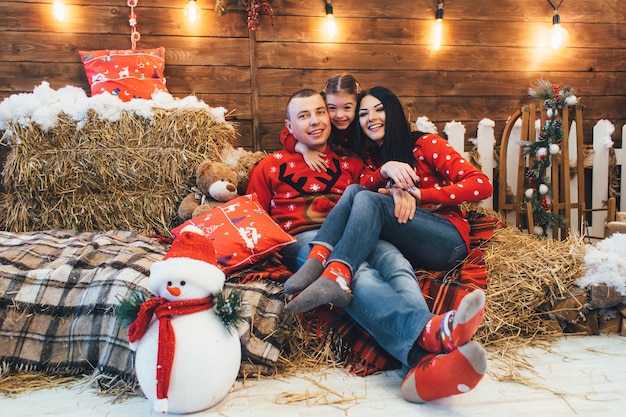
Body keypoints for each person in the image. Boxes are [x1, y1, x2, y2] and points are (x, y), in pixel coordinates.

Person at [281, 86, 493, 403]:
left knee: (362, 197)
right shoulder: (368, 160)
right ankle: (426, 354)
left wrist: (422, 196)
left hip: (445, 238)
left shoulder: (424, 144)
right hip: (407, 239)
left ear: (394, 112)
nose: (372, 118)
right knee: (360, 199)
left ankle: (333, 269)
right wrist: (386, 179)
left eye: (379, 110)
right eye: (363, 114)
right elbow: (362, 192)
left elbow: (481, 185)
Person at [280, 73, 361, 172]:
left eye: (347, 107)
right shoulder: (323, 124)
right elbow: (286, 134)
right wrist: (305, 150)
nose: (339, 115)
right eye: (332, 108)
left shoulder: (363, 123)